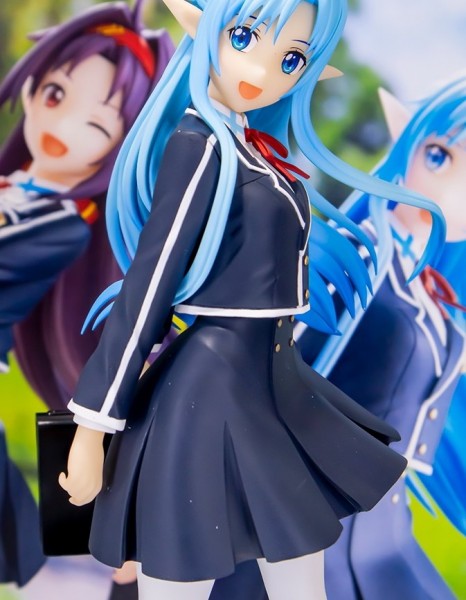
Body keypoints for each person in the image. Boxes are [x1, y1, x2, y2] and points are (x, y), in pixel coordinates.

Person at [59, 1, 446, 598]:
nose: (263, 70)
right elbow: (149, 283)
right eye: (244, 37)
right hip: (208, 391)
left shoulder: (257, 153)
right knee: (181, 580)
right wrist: (93, 425)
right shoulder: (198, 146)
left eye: (290, 59)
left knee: (301, 579)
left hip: (273, 388)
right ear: (207, 30)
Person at [0, 0, 173, 589]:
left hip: (105, 414)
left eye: (97, 125)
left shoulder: (63, 229)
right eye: (55, 94)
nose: (62, 130)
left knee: (121, 567)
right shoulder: (14, 193)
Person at [296, 77, 466, 599]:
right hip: (306, 525)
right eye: (438, 157)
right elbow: (257, 370)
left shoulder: (436, 298)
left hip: (383, 535)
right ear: (407, 144)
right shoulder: (353, 259)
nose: (450, 188)